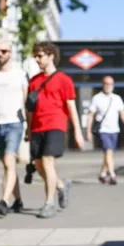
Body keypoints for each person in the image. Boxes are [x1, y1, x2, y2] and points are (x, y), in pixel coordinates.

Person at [26, 42, 84, 218]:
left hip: (56, 125)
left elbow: (71, 107)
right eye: (35, 55)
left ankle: (49, 203)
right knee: (39, 164)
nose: (37, 59)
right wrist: (28, 131)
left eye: (40, 55)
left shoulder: (64, 79)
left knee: (47, 161)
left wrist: (78, 131)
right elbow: (30, 110)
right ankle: (60, 185)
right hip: (37, 127)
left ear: (51, 56)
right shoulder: (34, 81)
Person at [0, 40, 28, 216]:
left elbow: (26, 100)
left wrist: (29, 126)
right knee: (8, 166)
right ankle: (18, 200)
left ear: (10, 53)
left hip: (14, 123)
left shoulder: (20, 74)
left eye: (3, 51)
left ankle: (3, 201)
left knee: (9, 162)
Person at [86, 76, 124, 185]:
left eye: (110, 84)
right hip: (103, 130)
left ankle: (103, 173)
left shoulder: (116, 98)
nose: (108, 86)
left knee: (109, 153)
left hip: (114, 130)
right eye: (106, 84)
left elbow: (123, 114)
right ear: (103, 85)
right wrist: (88, 131)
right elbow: (90, 115)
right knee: (108, 151)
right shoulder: (97, 98)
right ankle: (112, 175)